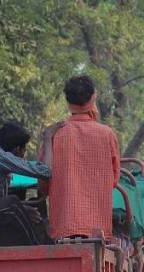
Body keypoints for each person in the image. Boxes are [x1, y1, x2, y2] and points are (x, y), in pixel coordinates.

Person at [41, 75, 121, 242]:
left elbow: (43, 185)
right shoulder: (107, 135)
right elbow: (114, 179)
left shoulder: (54, 135)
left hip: (63, 231)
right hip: (98, 232)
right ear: (93, 97)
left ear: (67, 101)